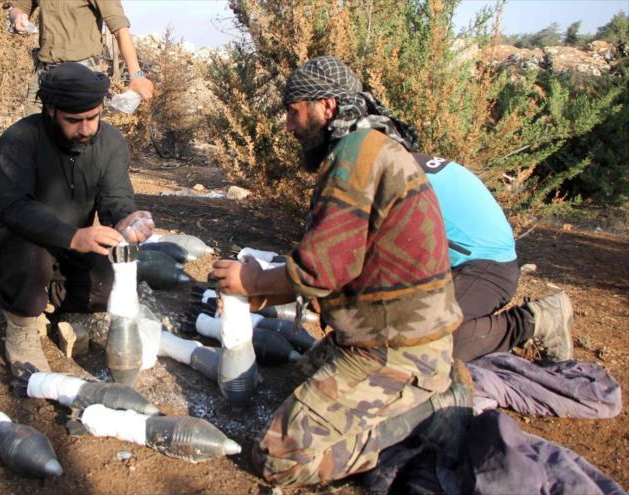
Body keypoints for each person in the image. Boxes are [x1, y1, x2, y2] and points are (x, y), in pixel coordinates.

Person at [209, 56, 472, 487]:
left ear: (326, 107)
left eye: (293, 113)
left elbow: (321, 269)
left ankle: (426, 415)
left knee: (277, 460)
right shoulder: (367, 147)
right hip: (378, 333)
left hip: (395, 347)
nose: (289, 126)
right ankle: (420, 394)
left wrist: (254, 282)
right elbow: (342, 262)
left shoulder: (357, 153)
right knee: (290, 384)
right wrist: (258, 291)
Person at [0, 63, 154, 376]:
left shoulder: (110, 143)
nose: (86, 129)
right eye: (74, 121)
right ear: (51, 111)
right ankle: (23, 323)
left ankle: (49, 299)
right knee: (30, 245)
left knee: (112, 279)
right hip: (13, 244)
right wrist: (74, 237)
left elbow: (115, 200)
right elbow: (16, 210)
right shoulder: (18, 141)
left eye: (93, 118)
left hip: (69, 244)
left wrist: (127, 218)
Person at [411, 153, 574, 363]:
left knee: (416, 349)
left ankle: (531, 322)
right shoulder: (406, 164)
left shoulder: (389, 180)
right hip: (481, 265)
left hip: (484, 270)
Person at [7, 0, 154, 115]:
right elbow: (18, 8)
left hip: (81, 77)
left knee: (77, 142)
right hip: (44, 77)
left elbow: (120, 29)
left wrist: (137, 75)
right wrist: (17, 16)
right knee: (33, 141)